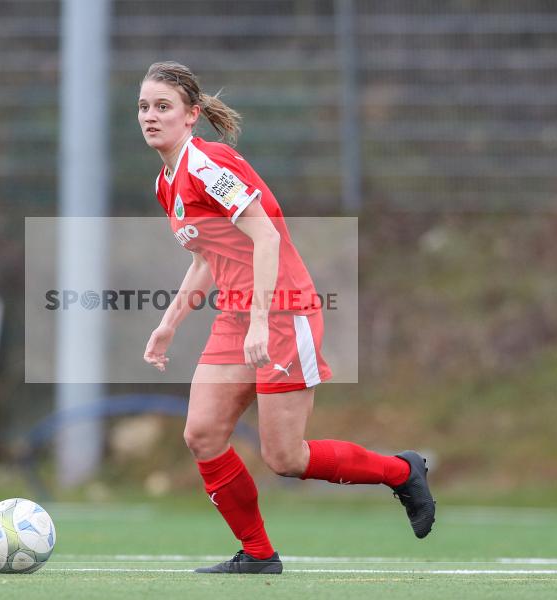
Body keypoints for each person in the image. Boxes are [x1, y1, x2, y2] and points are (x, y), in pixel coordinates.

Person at [139, 61, 435, 575]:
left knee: (285, 458)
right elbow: (207, 257)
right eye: (144, 106)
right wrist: (170, 323)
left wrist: (259, 321)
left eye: (163, 106)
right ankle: (257, 554)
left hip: (281, 312)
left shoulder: (208, 165)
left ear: (191, 115)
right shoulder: (167, 181)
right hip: (236, 317)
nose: (150, 116)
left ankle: (401, 471)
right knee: (202, 434)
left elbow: (266, 235)